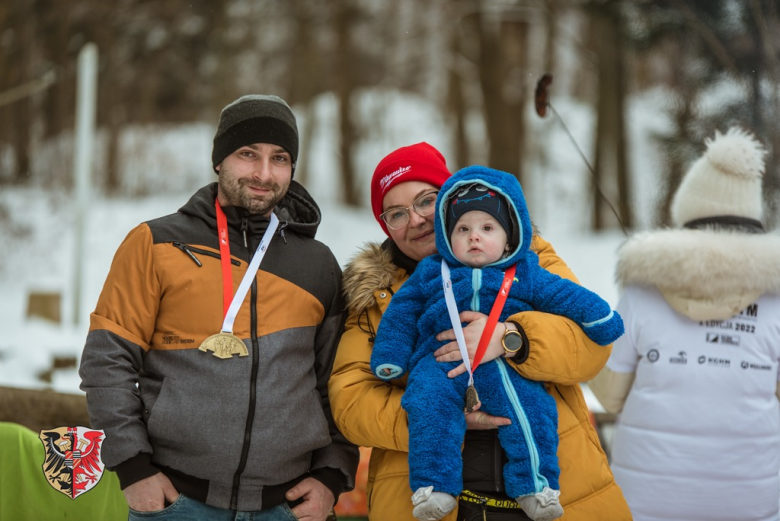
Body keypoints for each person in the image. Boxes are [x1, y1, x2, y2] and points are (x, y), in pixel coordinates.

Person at [79, 94, 359, 521]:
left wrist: (331, 476)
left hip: (288, 507)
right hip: (177, 501)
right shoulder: (155, 243)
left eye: (280, 158)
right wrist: (132, 468)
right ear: (219, 160)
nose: (264, 173)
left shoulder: (317, 264)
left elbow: (337, 382)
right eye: (248, 154)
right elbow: (107, 362)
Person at [328, 142, 631, 521]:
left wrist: (510, 338)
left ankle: (534, 481)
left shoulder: (528, 260)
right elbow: (350, 400)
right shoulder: (373, 294)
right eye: (397, 213)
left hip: (563, 494)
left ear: (451, 200)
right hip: (425, 500)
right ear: (385, 225)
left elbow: (589, 348)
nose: (418, 219)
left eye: (426, 200)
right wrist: (436, 420)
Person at [590, 127, 780, 521]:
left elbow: (608, 397)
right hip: (753, 502)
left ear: (687, 214)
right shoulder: (776, 302)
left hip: (643, 503)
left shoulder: (642, 293)